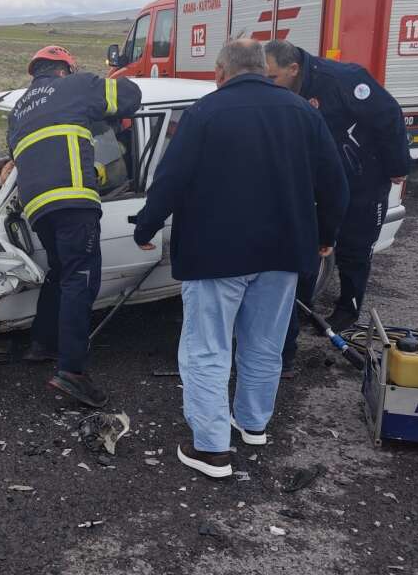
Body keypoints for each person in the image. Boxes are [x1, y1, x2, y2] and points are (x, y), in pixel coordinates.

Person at [131, 39, 348, 478]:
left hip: (216, 253)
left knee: (207, 349)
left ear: (220, 71)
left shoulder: (206, 113)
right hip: (284, 252)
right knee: (264, 344)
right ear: (264, 69)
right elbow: (335, 183)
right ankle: (252, 425)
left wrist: (146, 227)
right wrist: (325, 236)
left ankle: (211, 450)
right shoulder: (303, 112)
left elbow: (171, 179)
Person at [6, 45, 142, 408]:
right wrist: (105, 87)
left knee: (61, 272)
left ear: (35, 72)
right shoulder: (77, 86)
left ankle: (43, 344)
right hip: (73, 202)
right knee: (81, 280)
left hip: (38, 208)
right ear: (66, 69)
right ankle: (72, 371)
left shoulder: (19, 109)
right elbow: (130, 95)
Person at [264, 40, 411, 375]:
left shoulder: (344, 81)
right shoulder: (284, 90)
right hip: (319, 181)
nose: (267, 82)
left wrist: (397, 166)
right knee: (308, 245)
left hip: (362, 178)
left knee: (355, 248)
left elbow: (389, 116)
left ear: (293, 69)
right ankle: (302, 305)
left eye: (272, 77)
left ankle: (348, 306)